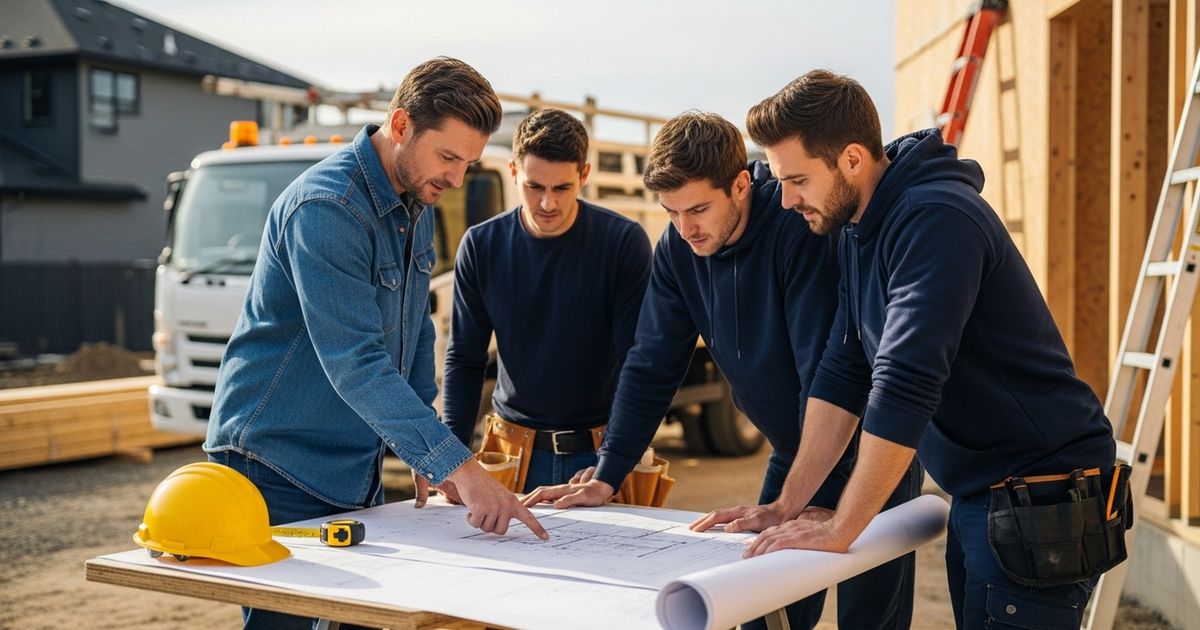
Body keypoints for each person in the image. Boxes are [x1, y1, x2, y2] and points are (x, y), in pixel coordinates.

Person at [692, 70, 1119, 630]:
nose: (787, 199)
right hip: (984, 490)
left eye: (797, 180)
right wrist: (785, 505)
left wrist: (841, 527)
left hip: (1041, 494)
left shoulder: (937, 217)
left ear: (851, 159)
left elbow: (905, 380)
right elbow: (845, 369)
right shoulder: (859, 228)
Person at [523, 111, 922, 630]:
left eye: (698, 209)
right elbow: (651, 362)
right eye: (670, 212)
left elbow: (826, 373)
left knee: (868, 620)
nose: (685, 228)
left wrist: (806, 505)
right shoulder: (678, 248)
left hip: (867, 453)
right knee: (760, 610)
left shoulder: (797, 231)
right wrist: (608, 473)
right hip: (793, 451)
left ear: (739, 185)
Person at [205, 57, 548, 629]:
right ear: (401, 125)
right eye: (448, 157)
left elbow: (414, 331)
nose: (456, 179)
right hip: (275, 463)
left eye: (467, 163)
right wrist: (461, 468)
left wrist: (424, 449)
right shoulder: (327, 209)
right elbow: (356, 362)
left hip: (348, 461)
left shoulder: (415, 200)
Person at [439, 107, 652, 492]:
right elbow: (465, 358)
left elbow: (635, 362)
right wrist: (451, 459)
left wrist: (614, 462)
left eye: (562, 188)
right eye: (535, 187)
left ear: (584, 175)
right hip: (509, 453)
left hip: (600, 453)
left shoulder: (621, 243)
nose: (548, 204)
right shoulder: (481, 246)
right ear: (513, 171)